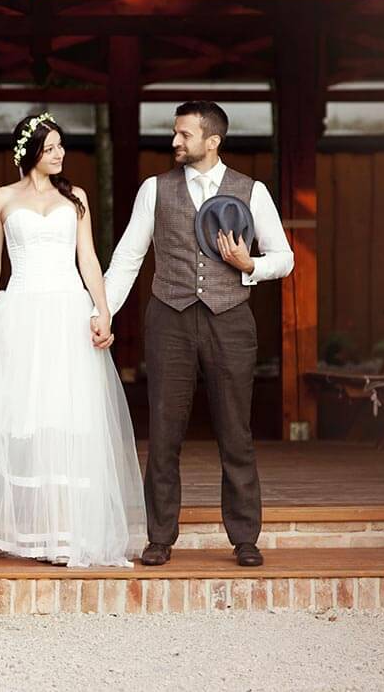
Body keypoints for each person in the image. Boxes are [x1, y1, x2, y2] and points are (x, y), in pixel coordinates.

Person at [100, 101, 293, 568]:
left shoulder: (252, 191)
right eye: (175, 133)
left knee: (235, 432)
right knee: (164, 431)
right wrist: (101, 312)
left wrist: (251, 266)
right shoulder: (155, 189)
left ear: (212, 141)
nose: (174, 142)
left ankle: (245, 537)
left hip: (231, 320)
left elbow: (284, 257)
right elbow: (128, 257)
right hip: (170, 317)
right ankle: (160, 537)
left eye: (184, 134)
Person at [0, 112, 145, 567]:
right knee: (24, 418)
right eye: (51, 147)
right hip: (20, 311)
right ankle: (25, 532)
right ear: (30, 151)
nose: (59, 154)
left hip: (66, 312)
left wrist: (102, 310)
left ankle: (66, 534)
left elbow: (89, 259)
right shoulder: (1, 198)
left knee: (66, 417)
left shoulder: (74, 197)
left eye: (61, 147)